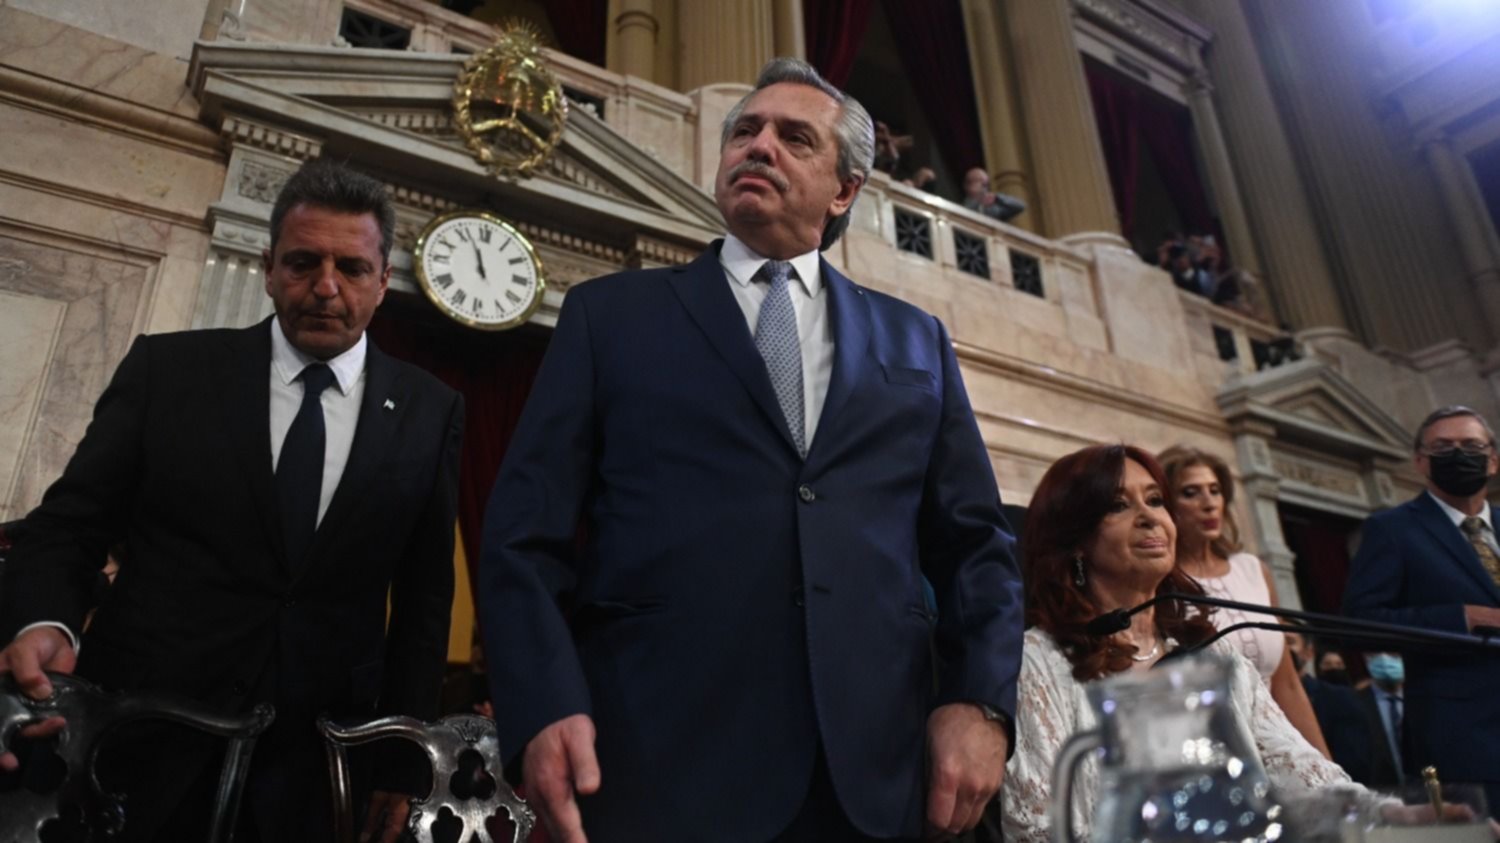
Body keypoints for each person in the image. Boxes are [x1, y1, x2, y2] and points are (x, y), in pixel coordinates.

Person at [479, 57, 1023, 842]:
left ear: (845, 190)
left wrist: (981, 703)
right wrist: (542, 699)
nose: (758, 146)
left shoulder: (918, 342)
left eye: (794, 137)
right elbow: (524, 535)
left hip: (875, 777)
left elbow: (976, 545)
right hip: (658, 764)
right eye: (745, 131)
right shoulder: (611, 317)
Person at [0, 158, 464, 842]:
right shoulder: (169, 371)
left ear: (383, 280)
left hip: (311, 770)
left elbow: (423, 602)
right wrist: (43, 620)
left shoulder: (432, 409)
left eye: (352, 268)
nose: (326, 287)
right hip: (133, 744)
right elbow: (68, 528)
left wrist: (401, 760)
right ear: (269, 265)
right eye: (304, 262)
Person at [1000, 445, 1426, 842]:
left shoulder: (1219, 657)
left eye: (1155, 500)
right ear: (1074, 541)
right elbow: (1037, 827)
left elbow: (1305, 776)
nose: (1150, 517)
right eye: (1118, 505)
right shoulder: (1039, 662)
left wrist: (1396, 818)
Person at [1345, 404, 1500, 808]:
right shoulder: (1393, 529)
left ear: (1493, 459)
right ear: (1420, 462)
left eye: (1471, 445)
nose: (1459, 455)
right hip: (1466, 739)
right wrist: (1463, 618)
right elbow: (1360, 621)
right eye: (1444, 447)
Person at [1158, 445, 1332, 757]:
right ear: (1166, 506)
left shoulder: (1253, 570)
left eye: (1215, 490)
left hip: (1278, 745)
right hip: (1206, 749)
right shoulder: (1160, 582)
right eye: (1190, 493)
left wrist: (1326, 766)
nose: (1209, 503)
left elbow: (1288, 684)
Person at [1286, 627, 1399, 787]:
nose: (1283, 650)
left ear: (1308, 652)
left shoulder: (1339, 698)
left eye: (1289, 642)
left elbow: (1356, 766)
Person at [1358, 651, 1406, 787]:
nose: (1385, 660)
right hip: (1382, 791)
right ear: (1365, 659)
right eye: (1376, 653)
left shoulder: (1423, 698)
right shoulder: (1354, 702)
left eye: (1393, 654)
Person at [961, 168, 1026, 222]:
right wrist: (979, 202)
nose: (983, 186)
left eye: (985, 183)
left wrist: (997, 198)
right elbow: (966, 213)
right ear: (967, 185)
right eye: (978, 181)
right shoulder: (964, 205)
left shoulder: (993, 209)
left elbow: (1020, 206)